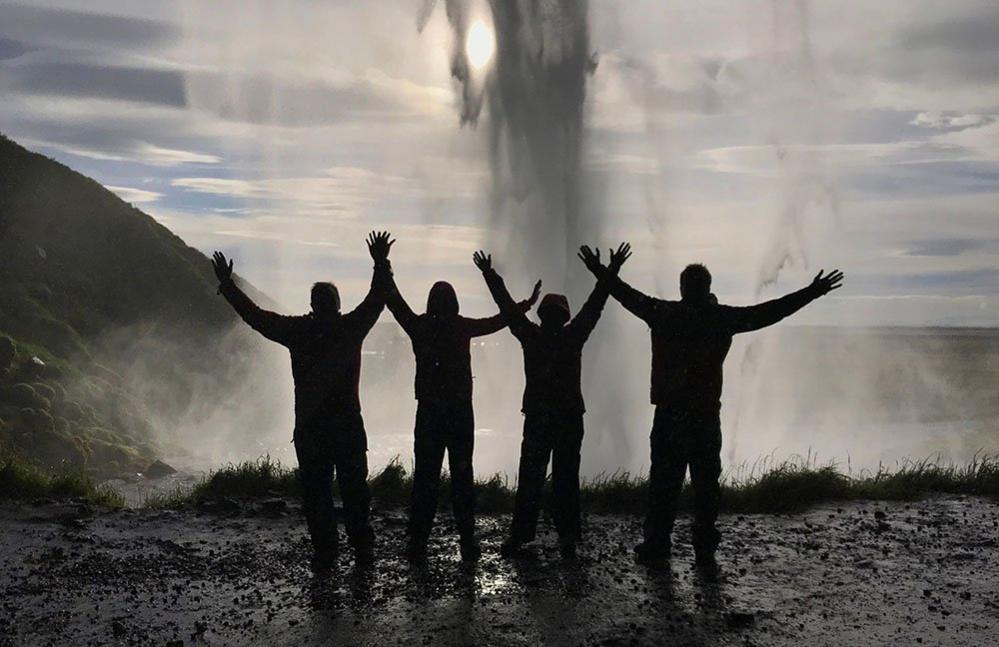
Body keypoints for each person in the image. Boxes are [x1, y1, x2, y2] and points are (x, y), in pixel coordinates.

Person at [582, 247, 843, 569]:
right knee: (706, 486)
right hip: (705, 416)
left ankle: (656, 545)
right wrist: (812, 292)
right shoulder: (721, 318)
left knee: (664, 484)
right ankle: (704, 549)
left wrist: (602, 270)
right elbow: (770, 312)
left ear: (681, 288)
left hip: (669, 415)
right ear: (708, 288)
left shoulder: (663, 313)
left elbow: (624, 294)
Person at [210, 231, 394, 573]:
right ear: (337, 305)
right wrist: (380, 262)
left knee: (317, 495)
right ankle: (363, 551)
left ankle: (326, 553)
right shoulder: (351, 327)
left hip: (311, 428)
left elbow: (256, 317)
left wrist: (228, 285)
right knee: (355, 491)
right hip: (348, 426)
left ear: (313, 305)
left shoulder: (299, 331)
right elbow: (377, 297)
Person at [475, 244, 630, 559]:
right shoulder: (573, 336)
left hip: (538, 417)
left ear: (542, 316)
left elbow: (506, 308)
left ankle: (521, 536)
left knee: (531, 476)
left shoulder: (531, 336)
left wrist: (490, 275)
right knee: (566, 477)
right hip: (570, 416)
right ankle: (568, 537)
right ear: (565, 316)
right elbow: (595, 305)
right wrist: (609, 270)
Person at [383, 253, 541, 562]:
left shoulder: (421, 327)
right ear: (454, 303)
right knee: (461, 477)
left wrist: (384, 266)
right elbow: (500, 320)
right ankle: (467, 542)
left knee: (426, 479)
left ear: (431, 302)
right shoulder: (460, 326)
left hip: (429, 412)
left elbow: (394, 301)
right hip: (458, 412)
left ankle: (418, 541)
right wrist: (523, 303)